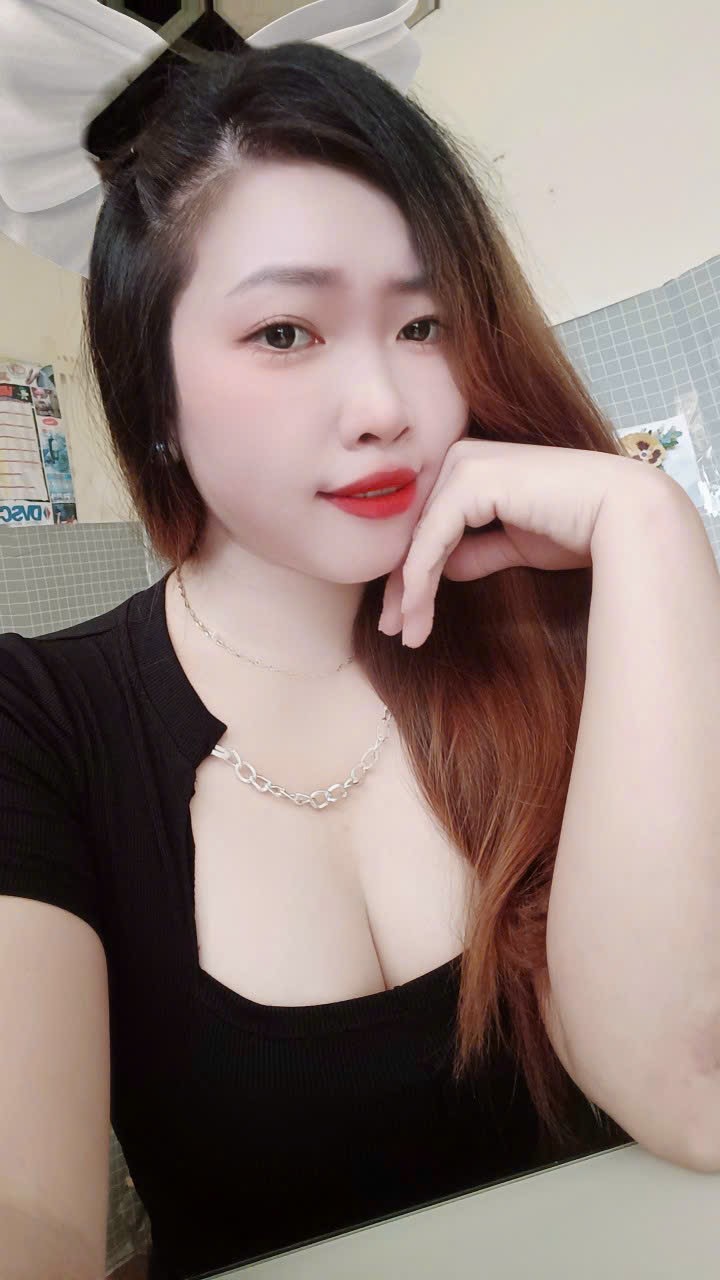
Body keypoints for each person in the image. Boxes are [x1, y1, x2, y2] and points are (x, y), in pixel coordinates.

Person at [2, 36, 668, 1280]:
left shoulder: (558, 633)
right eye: (285, 331)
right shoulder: (39, 721)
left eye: (422, 322)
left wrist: (649, 528)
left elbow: (692, 1089)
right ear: (152, 388)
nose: (383, 406)